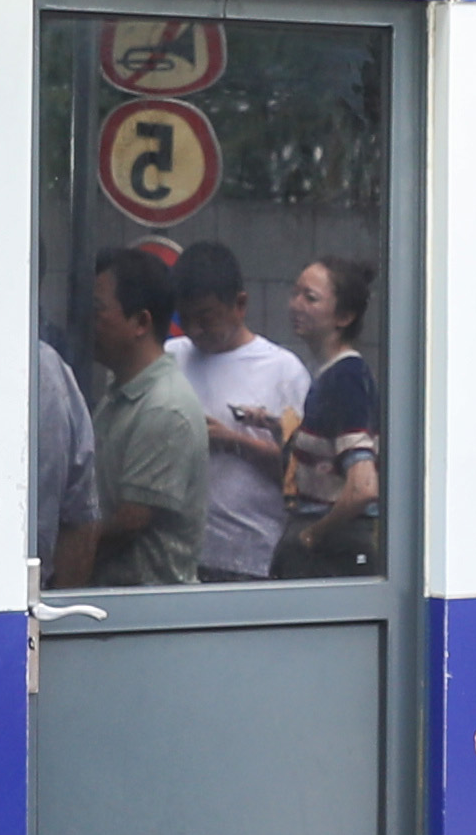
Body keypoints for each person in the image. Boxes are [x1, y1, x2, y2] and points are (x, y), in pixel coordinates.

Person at [168, 236, 308, 580]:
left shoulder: (282, 371)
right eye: (185, 318)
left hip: (256, 558)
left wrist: (232, 441)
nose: (196, 330)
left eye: (206, 317)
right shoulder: (171, 358)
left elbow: (304, 474)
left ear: (240, 305)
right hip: (180, 556)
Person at [78, 246, 206, 589]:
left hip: (147, 607)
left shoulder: (165, 407)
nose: (88, 322)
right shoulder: (120, 391)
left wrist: (65, 546)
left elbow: (130, 521)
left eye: (98, 310)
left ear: (141, 322)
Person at [276, 251, 384, 577]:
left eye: (310, 298)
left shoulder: (346, 378)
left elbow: (363, 487)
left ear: (344, 316)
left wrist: (313, 535)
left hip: (336, 548)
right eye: (295, 293)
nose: (296, 305)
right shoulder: (326, 374)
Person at [30, 330, 101, 584]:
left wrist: (62, 601)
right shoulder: (44, 367)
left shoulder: (42, 368)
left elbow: (80, 518)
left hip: (35, 589)